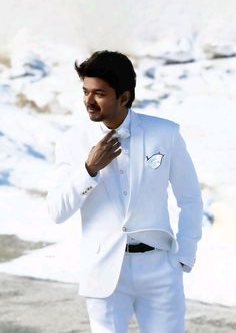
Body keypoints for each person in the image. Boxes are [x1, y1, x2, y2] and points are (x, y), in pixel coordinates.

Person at [47, 50, 203, 333]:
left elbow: (190, 198)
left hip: (159, 269)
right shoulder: (71, 141)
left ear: (124, 97)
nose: (89, 101)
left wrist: (184, 257)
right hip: (103, 273)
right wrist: (88, 170)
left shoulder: (165, 134)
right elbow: (56, 211)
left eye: (99, 93)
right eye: (85, 92)